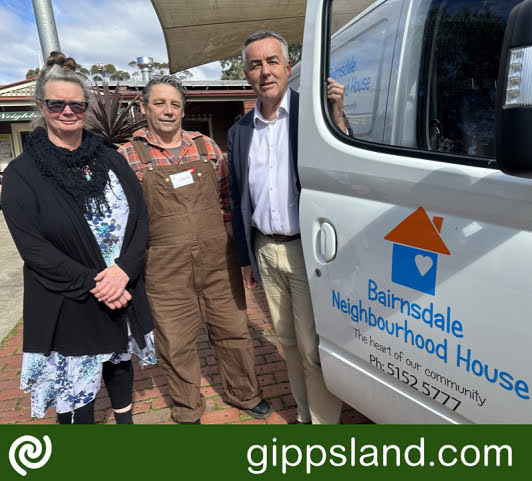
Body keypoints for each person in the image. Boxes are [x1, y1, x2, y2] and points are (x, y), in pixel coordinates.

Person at [0, 52, 156, 424]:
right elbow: (34, 249)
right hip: (69, 299)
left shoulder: (110, 157)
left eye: (77, 105)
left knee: (119, 365)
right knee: (77, 386)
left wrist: (123, 272)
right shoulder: (23, 174)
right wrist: (99, 284)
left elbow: (140, 219)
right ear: (42, 106)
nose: (68, 111)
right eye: (57, 104)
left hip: (121, 287)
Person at [118, 75, 271, 424]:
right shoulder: (127, 156)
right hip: (163, 267)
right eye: (160, 103)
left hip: (217, 260)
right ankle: (187, 407)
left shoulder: (206, 148)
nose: (168, 111)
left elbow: (227, 199)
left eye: (175, 104)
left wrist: (239, 252)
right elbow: (124, 218)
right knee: (175, 340)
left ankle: (244, 393)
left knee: (232, 329)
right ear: (144, 108)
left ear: (183, 109)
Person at [228, 30, 347, 424]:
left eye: (272, 61)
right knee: (288, 342)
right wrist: (246, 258)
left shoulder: (314, 116)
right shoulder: (240, 131)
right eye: (255, 64)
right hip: (265, 249)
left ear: (288, 66)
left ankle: (323, 424)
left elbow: (344, 172)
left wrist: (337, 116)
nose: (265, 71)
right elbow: (238, 199)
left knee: (312, 347)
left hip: (306, 249)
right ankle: (302, 415)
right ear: (246, 73)